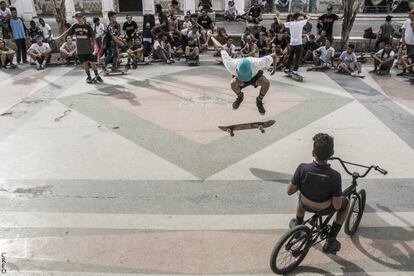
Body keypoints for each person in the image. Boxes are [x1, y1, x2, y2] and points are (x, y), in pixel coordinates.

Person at [287, 133, 349, 254]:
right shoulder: (335, 176)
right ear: (331, 154)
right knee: (345, 205)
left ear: (313, 152)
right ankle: (331, 240)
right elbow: (336, 206)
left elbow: (289, 191)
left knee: (301, 194)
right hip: (325, 209)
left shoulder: (302, 168)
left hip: (305, 204)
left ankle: (298, 226)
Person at [212, 36, 278, 115]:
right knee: (233, 83)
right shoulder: (231, 65)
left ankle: (259, 100)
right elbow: (221, 47)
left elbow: (274, 55)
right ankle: (240, 97)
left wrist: (274, 69)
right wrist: (211, 36)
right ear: (236, 70)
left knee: (266, 83)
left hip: (254, 76)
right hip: (240, 79)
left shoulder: (257, 62)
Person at [56, 12, 102, 83]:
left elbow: (93, 37)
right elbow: (67, 32)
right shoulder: (75, 26)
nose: (79, 18)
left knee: (92, 62)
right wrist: (59, 37)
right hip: (80, 48)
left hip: (88, 47)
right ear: (76, 18)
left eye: (80, 17)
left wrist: (95, 46)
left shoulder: (87, 26)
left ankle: (97, 75)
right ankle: (89, 77)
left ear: (82, 17)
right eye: (77, 17)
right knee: (85, 63)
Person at [398, 9, 414, 77]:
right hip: (404, 42)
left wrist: (412, 26)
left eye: (410, 14)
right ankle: (404, 71)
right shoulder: (407, 21)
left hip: (412, 43)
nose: (409, 15)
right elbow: (403, 30)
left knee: (411, 57)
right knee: (401, 56)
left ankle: (411, 71)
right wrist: (403, 38)